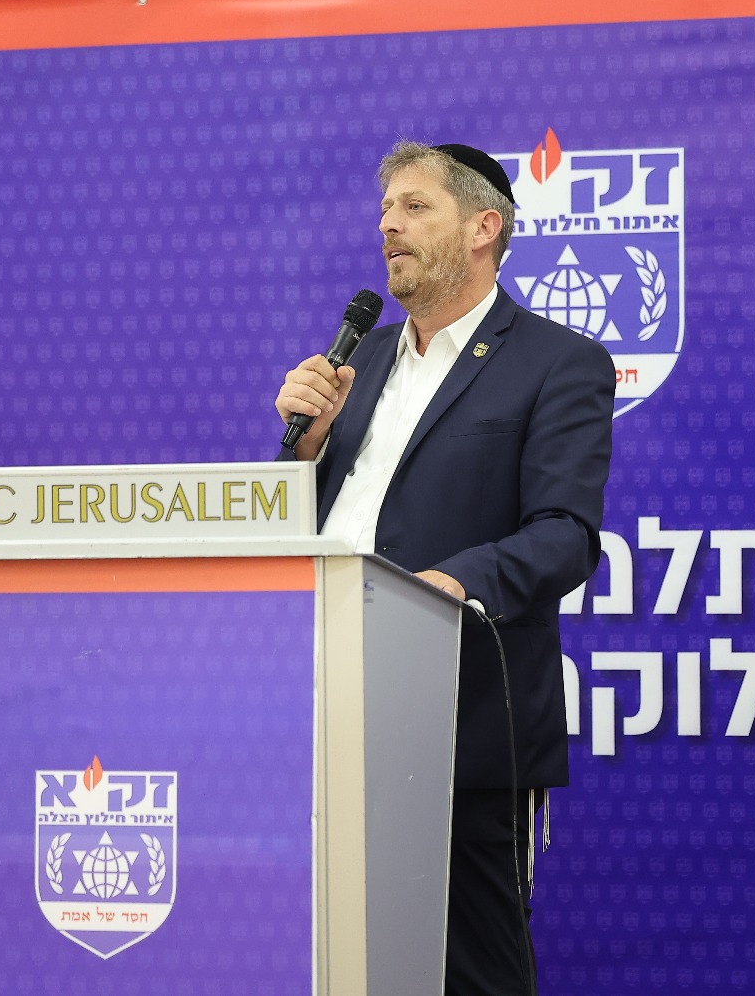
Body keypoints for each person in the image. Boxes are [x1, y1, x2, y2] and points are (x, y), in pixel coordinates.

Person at [275, 140, 614, 994]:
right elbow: (309, 526)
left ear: (483, 228)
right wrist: (303, 456)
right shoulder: (361, 361)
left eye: (415, 207)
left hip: (459, 712)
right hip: (318, 704)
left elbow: (565, 534)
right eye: (385, 210)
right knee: (328, 954)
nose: (388, 225)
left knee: (470, 971)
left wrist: (450, 587)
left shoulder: (556, 362)